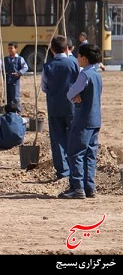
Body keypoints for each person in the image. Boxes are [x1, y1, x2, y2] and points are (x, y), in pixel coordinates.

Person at [59, 43, 102, 199]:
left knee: (75, 153)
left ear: (84, 58)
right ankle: (89, 187)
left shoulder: (85, 75)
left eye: (78, 56)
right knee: (90, 155)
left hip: (83, 119)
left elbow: (71, 92)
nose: (77, 58)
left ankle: (77, 188)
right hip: (95, 119)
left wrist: (72, 96)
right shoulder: (97, 75)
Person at [41, 35, 80, 181]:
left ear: (51, 50)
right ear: (67, 48)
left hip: (54, 107)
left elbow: (44, 87)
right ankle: (75, 171)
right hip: (72, 108)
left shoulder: (47, 66)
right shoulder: (74, 63)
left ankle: (63, 172)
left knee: (57, 140)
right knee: (74, 139)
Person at [3, 42, 29, 112]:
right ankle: (9, 112)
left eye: (11, 48)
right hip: (7, 80)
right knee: (8, 98)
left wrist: (19, 73)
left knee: (15, 98)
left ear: (16, 49)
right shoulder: (6, 59)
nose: (10, 50)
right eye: (9, 48)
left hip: (15, 81)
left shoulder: (20, 59)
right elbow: (3, 68)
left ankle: (18, 112)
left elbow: (25, 67)